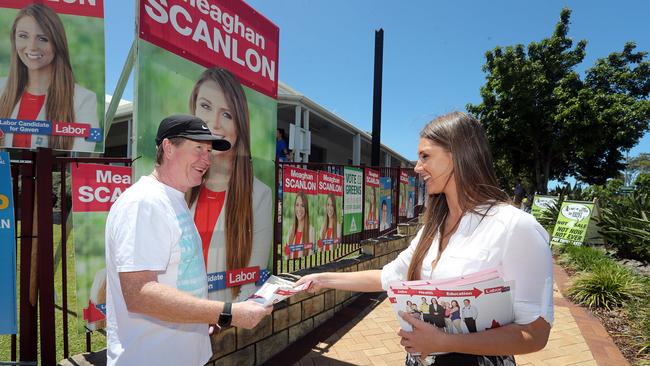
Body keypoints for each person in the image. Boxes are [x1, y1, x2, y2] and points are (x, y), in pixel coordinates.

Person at [295, 112, 553, 365]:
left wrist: (444, 342)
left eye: (425, 156)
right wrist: (322, 279)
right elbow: (389, 276)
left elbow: (535, 333)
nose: (417, 167)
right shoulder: (433, 228)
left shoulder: (515, 227)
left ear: (458, 155)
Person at [105, 115, 272, 365]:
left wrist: (202, 316)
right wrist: (226, 313)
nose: (207, 159)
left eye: (208, 150)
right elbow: (139, 293)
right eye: (198, 149)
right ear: (168, 148)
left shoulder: (174, 199)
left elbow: (176, 281)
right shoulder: (144, 203)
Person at [187, 68, 273, 302]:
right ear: (193, 109)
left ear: (239, 125)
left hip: (223, 321)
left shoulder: (259, 195)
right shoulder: (180, 188)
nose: (214, 122)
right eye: (205, 106)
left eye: (227, 114)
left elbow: (253, 277)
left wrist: (225, 317)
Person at [0, 3, 99, 151]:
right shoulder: (1, 88)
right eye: (23, 36)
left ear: (57, 43)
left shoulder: (83, 99)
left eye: (43, 38)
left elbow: (83, 155)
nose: (32, 46)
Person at [284, 191, 315, 258]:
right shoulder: (291, 230)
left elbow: (310, 255)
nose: (299, 209)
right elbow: (286, 255)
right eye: (297, 205)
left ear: (306, 208)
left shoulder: (311, 230)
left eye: (302, 205)